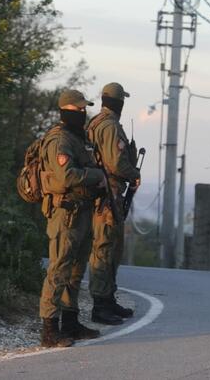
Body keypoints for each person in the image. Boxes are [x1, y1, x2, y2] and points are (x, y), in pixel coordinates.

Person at [38, 89, 106, 347]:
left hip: (82, 210)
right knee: (59, 269)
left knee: (76, 270)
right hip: (65, 212)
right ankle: (48, 328)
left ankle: (70, 322)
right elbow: (67, 176)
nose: (83, 113)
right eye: (78, 109)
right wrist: (95, 176)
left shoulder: (77, 138)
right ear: (65, 109)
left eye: (83, 109)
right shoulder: (59, 140)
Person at [84, 82, 141, 323]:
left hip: (107, 194)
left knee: (111, 248)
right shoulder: (109, 126)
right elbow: (116, 163)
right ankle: (100, 305)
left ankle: (108, 299)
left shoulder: (96, 123)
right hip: (108, 195)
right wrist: (133, 174)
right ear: (119, 103)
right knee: (105, 249)